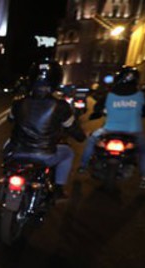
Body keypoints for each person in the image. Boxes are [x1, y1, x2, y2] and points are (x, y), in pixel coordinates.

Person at [5, 58, 85, 200]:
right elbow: (73, 129)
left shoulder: (18, 102)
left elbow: (10, 119)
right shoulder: (61, 106)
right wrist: (81, 137)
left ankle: (7, 176)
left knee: (6, 147)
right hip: (45, 154)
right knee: (69, 153)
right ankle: (59, 189)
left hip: (17, 151)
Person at [77, 66, 145, 189]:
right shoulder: (141, 96)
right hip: (134, 131)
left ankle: (83, 166)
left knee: (91, 141)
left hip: (108, 129)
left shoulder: (109, 95)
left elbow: (97, 108)